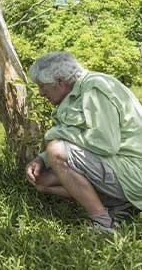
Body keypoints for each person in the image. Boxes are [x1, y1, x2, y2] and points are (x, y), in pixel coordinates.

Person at [25, 51, 142, 232]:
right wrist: (42, 159)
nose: (40, 93)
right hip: (115, 166)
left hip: (134, 171)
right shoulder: (74, 93)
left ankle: (104, 223)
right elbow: (78, 136)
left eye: (42, 86)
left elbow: (105, 144)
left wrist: (55, 134)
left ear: (60, 81)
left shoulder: (95, 88)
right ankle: (120, 208)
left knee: (56, 149)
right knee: (42, 181)